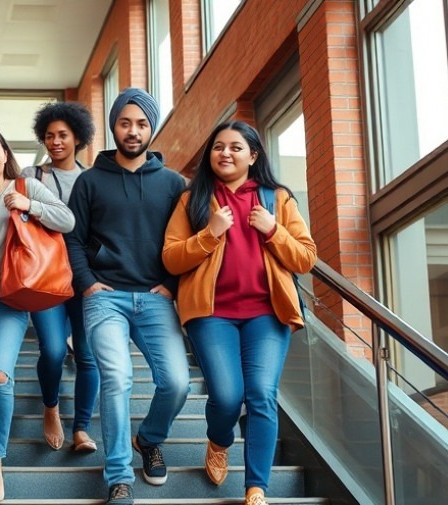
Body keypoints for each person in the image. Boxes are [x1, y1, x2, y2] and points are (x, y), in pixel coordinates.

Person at [162, 121, 317, 505]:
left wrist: (273, 230)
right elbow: (171, 257)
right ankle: (219, 439)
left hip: (267, 314)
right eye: (218, 146)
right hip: (212, 314)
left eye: (235, 147)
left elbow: (306, 258)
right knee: (228, 396)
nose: (225, 153)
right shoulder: (192, 199)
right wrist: (209, 233)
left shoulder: (276, 198)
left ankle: (255, 489)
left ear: (253, 155)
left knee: (262, 394)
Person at [64, 88, 191, 505]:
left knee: (176, 383)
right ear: (114, 126)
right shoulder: (89, 181)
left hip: (155, 297)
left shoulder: (174, 184)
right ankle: (119, 476)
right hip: (106, 297)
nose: (133, 131)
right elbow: (74, 240)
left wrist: (171, 286)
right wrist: (87, 283)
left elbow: (186, 241)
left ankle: (149, 438)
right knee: (116, 378)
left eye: (141, 123)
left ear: (151, 128)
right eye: (125, 122)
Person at [0, 124, 75, 502]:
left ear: (5, 154)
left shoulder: (24, 187)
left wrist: (30, 206)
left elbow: (67, 221)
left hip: (9, 296)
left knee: (0, 377)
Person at [20, 101, 98, 452]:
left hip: (85, 277)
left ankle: (81, 427)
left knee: (87, 354)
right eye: (49, 135)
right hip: (45, 276)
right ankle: (50, 406)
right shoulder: (30, 176)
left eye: (62, 135)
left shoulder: (93, 178)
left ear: (78, 137)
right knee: (52, 350)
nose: (55, 142)